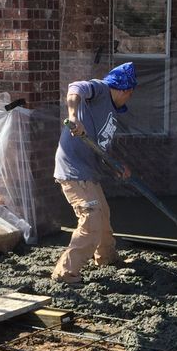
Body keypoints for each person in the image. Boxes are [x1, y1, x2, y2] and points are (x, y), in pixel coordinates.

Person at [50, 62, 137, 286]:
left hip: (88, 171)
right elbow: (75, 88)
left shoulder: (110, 112)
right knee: (91, 220)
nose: (129, 98)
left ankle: (106, 258)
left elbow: (102, 149)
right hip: (73, 169)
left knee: (103, 215)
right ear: (125, 90)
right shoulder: (100, 90)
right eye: (130, 94)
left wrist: (117, 166)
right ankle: (65, 273)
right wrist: (73, 116)